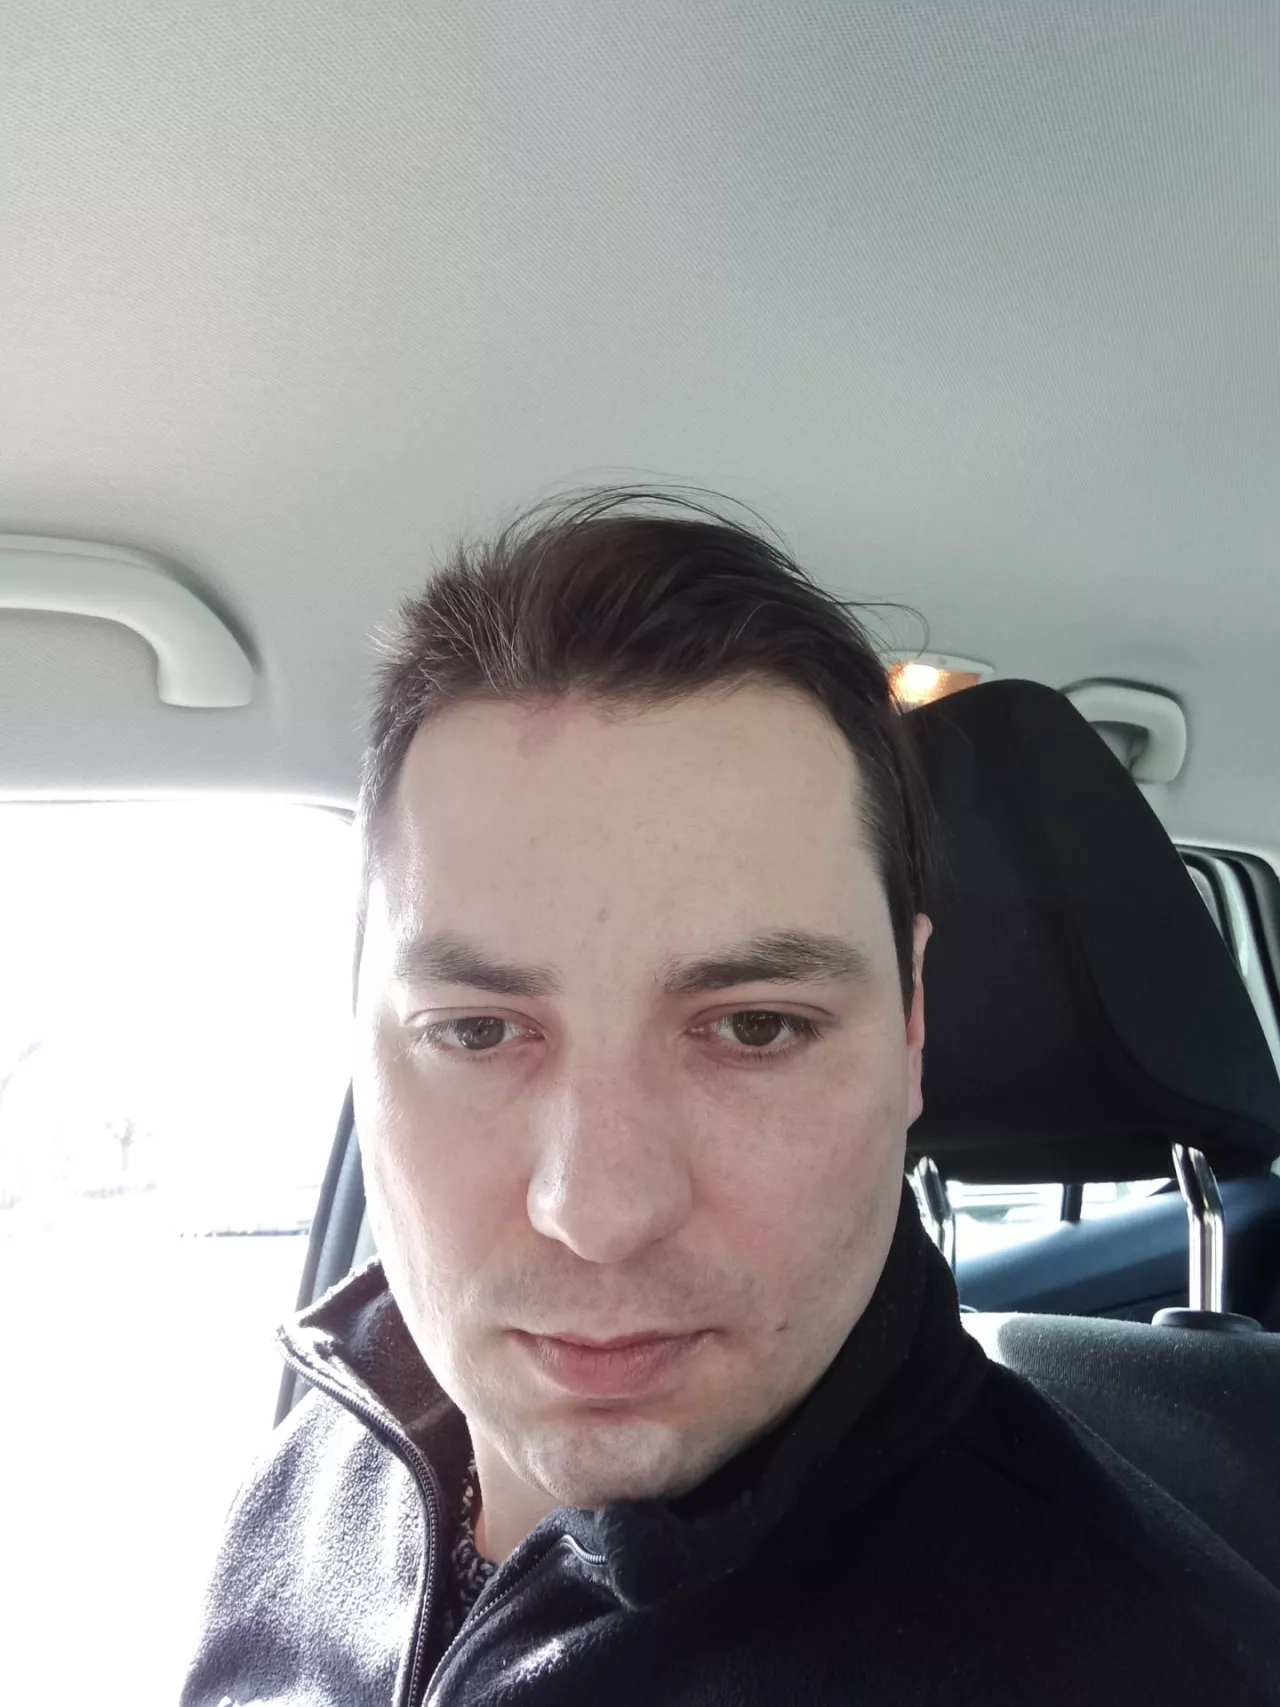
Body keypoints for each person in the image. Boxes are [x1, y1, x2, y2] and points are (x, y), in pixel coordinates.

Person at [181, 490, 1280, 1706]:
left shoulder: (1143, 1666)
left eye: (755, 1026)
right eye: (477, 1030)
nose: (599, 1211)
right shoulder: (324, 1461)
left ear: (911, 1022)